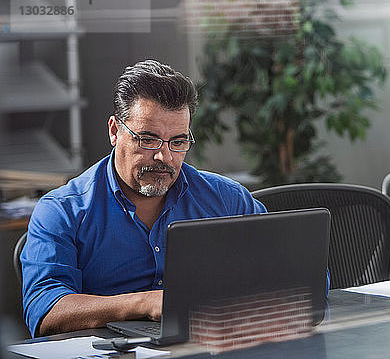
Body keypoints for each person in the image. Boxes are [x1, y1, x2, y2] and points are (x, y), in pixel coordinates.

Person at [20, 59, 267, 337]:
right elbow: (45, 311)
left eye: (178, 142)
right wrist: (145, 302)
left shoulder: (227, 199)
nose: (165, 157)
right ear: (115, 131)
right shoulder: (62, 210)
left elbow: (305, 275)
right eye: (148, 140)